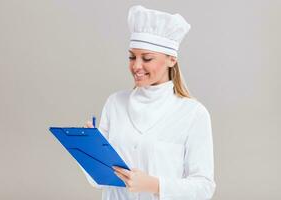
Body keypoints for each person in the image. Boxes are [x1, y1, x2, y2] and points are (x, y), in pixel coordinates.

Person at [82, 5, 216, 200]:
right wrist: (89, 149)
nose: (136, 66)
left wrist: (155, 185)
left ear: (171, 59)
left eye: (147, 58)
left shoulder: (193, 113)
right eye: (131, 57)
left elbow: (204, 187)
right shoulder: (115, 103)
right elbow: (98, 180)